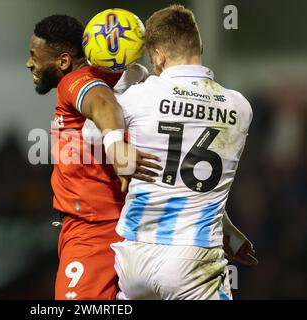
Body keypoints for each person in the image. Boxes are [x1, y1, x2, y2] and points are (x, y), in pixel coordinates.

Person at [111, 4, 257, 300]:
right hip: (192, 257)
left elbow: (89, 134)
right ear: (199, 46)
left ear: (158, 56)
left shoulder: (138, 96)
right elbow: (197, 180)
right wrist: (225, 230)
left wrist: (122, 84)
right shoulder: (240, 107)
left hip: (134, 257)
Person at [26, 14, 161, 300]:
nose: (29, 64)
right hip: (134, 226)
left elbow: (101, 102)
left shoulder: (76, 82)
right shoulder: (137, 83)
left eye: (34, 56)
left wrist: (115, 146)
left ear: (63, 61)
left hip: (93, 231)